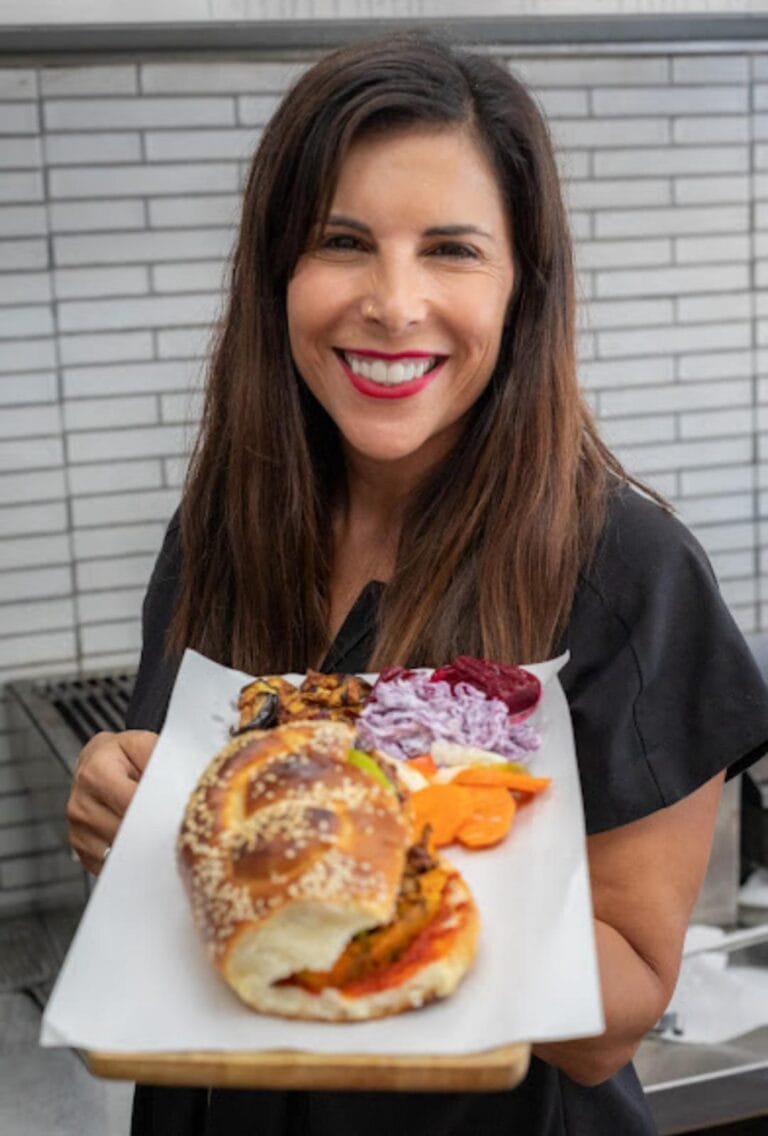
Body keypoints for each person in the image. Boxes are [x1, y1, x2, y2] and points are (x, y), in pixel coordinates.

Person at [66, 31, 768, 1136]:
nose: (394, 305)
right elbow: (191, 879)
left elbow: (616, 1017)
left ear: (521, 286)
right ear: (276, 273)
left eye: (451, 249)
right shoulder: (223, 528)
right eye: (344, 242)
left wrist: (383, 848)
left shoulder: (629, 574)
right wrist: (131, 810)